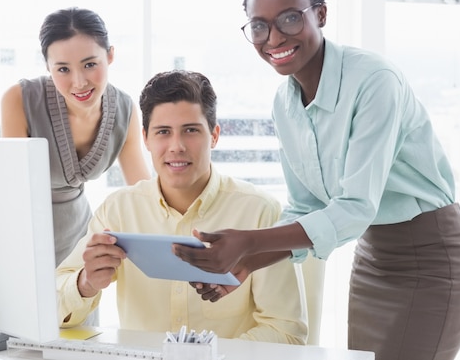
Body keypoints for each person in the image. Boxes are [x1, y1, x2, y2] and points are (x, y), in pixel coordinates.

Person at [173, 0, 460, 360]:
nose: (274, 39)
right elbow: (306, 207)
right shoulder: (284, 105)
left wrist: (248, 242)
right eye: (259, 26)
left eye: (289, 18)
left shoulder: (374, 82)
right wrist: (245, 265)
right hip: (373, 257)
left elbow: (355, 207)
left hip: (433, 257)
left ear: (320, 13)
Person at [56, 70, 308, 344]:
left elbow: (287, 331)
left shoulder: (261, 212)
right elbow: (52, 306)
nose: (176, 146)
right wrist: (85, 283)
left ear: (214, 135)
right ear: (146, 139)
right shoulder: (118, 210)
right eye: (163, 132)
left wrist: (203, 356)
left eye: (190, 130)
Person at [1, 7, 151, 266]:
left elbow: (142, 195)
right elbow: (13, 192)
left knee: (79, 304)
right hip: (20, 239)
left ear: (111, 55)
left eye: (90, 64)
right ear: (47, 66)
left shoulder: (124, 110)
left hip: (79, 241)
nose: (79, 82)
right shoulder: (19, 100)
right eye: (63, 69)